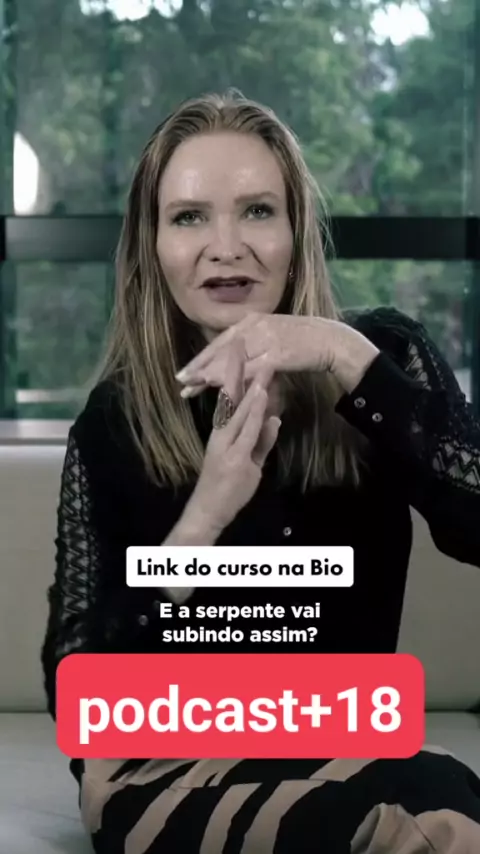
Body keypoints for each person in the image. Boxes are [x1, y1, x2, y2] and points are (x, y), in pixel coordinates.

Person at [41, 90, 480, 853]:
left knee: (431, 791)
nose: (226, 245)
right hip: (162, 767)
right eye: (189, 217)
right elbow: (79, 690)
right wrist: (203, 519)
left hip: (339, 740)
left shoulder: (380, 358)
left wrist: (343, 355)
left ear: (295, 230)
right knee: (426, 807)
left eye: (257, 211)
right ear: (152, 245)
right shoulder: (114, 421)